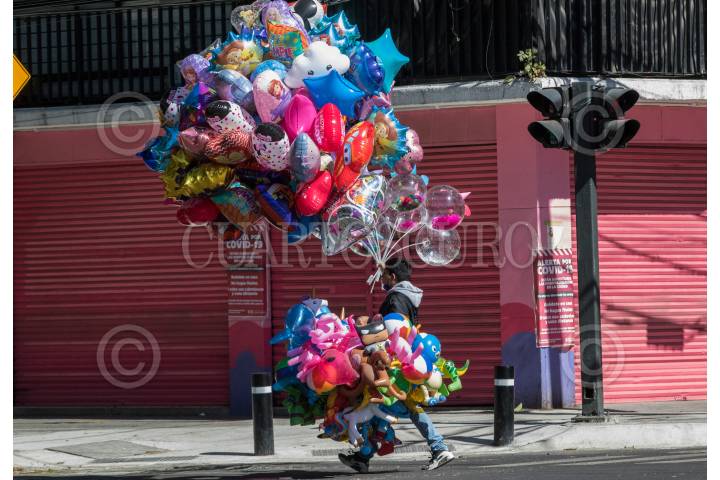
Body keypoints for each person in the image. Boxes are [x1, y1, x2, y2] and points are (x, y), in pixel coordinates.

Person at [339, 257, 456, 473]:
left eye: (384, 276)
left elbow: (393, 330)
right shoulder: (409, 297)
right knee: (384, 407)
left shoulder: (395, 299)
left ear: (392, 277)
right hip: (404, 359)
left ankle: (439, 447)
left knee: (400, 406)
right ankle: (364, 456)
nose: (382, 280)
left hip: (394, 361)